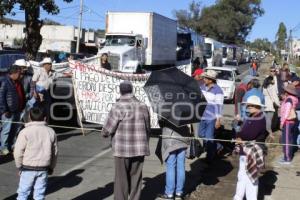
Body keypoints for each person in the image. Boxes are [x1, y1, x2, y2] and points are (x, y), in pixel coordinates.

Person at [101, 81, 150, 200]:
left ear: (120, 91)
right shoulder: (142, 105)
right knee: (136, 179)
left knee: (121, 180)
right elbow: (148, 127)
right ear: (131, 90)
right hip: (139, 148)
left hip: (122, 149)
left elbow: (108, 128)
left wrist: (104, 133)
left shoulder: (118, 106)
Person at [14, 106, 58, 200]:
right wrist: (51, 167)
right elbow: (55, 153)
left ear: (29, 117)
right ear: (45, 118)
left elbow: (18, 151)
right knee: (39, 194)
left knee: (23, 193)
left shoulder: (24, 132)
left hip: (27, 167)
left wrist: (19, 166)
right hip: (44, 168)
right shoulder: (51, 132)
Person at [233, 95, 267, 200]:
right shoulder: (254, 116)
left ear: (256, 106)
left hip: (251, 151)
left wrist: (238, 135)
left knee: (251, 179)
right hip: (246, 150)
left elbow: (249, 135)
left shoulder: (259, 118)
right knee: (242, 176)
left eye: (250, 106)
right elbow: (245, 132)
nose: (248, 108)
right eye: (248, 106)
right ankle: (238, 197)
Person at [157, 120, 189, 200]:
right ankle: (179, 193)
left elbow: (160, 122)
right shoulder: (186, 108)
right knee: (181, 166)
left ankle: (170, 194)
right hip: (183, 137)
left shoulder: (166, 108)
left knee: (171, 167)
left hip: (170, 139)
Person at [198, 70, 224, 163]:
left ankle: (209, 158)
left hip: (211, 117)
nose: (204, 79)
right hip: (202, 116)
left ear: (211, 80)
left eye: (206, 78)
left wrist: (218, 120)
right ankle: (218, 146)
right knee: (200, 134)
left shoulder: (218, 90)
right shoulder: (202, 87)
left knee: (209, 138)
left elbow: (219, 106)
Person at [0, 65, 23, 156]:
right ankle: (3, 148)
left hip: (17, 110)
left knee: (14, 130)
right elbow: (1, 97)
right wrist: (5, 110)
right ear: (14, 73)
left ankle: (9, 146)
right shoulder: (5, 81)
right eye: (19, 73)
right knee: (6, 130)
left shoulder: (17, 82)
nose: (20, 75)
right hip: (8, 111)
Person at [279, 84, 299, 164]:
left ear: (287, 92)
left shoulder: (289, 100)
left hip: (287, 122)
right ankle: (287, 156)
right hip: (291, 122)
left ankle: (287, 158)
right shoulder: (293, 99)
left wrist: (282, 122)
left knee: (286, 140)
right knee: (289, 139)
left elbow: (286, 112)